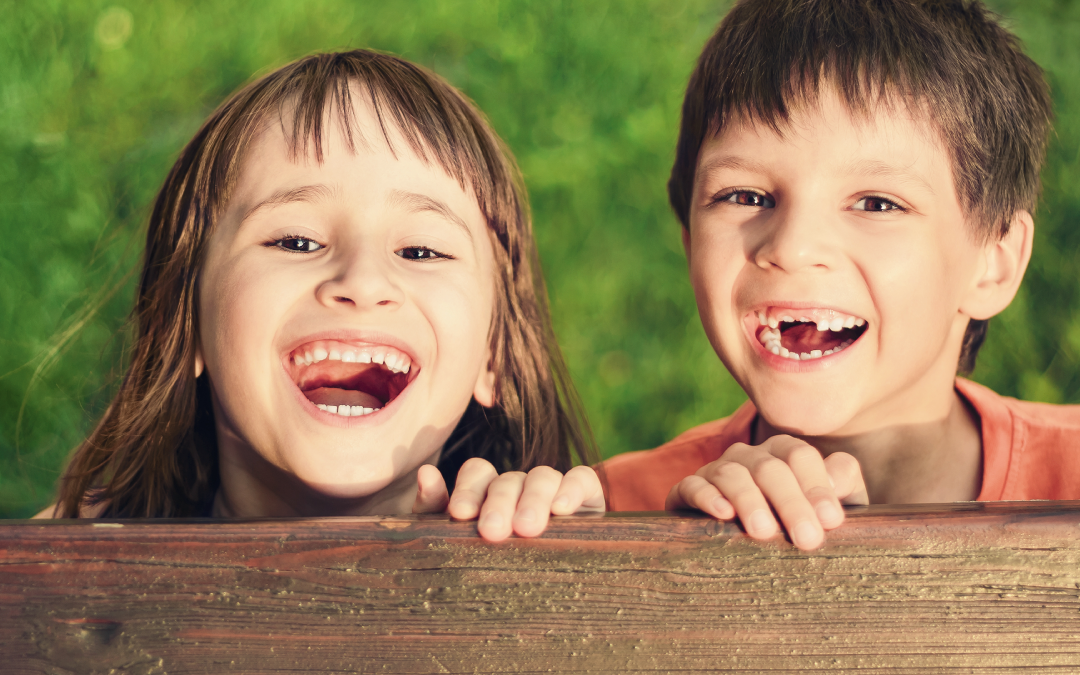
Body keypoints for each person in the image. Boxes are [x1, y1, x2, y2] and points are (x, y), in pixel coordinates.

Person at [37, 50, 604, 540]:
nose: (361, 282)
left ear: (494, 354)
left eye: (422, 252)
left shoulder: (540, 543)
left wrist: (581, 567)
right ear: (185, 321)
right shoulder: (54, 586)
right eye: (296, 240)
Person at [602, 0, 1079, 550]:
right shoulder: (613, 509)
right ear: (690, 243)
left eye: (876, 204)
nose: (792, 248)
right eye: (746, 196)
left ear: (993, 265)